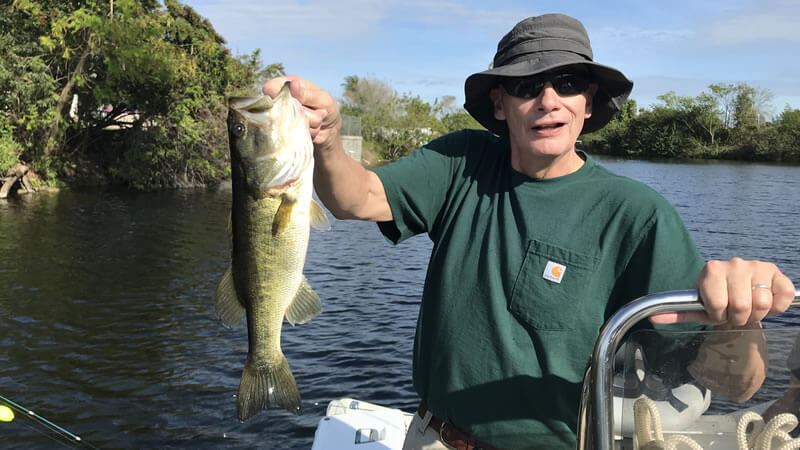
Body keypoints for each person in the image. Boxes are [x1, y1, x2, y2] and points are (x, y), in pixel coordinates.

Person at [263, 13, 796, 449]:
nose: (547, 99)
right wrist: (328, 140)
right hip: (433, 438)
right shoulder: (461, 162)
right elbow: (358, 197)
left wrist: (739, 321)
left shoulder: (637, 213)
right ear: (500, 103)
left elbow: (735, 383)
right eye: (525, 85)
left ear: (588, 103)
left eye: (566, 83)